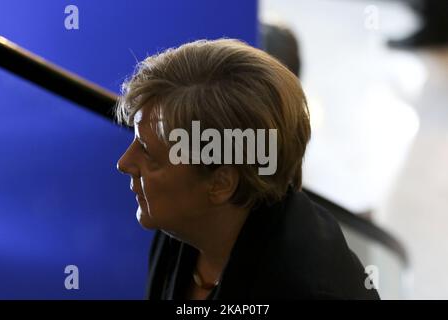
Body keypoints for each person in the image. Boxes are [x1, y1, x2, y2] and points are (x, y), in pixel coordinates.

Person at [115, 39, 380, 300]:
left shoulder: (302, 288)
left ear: (220, 184)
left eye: (148, 152)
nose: (124, 163)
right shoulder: (183, 228)